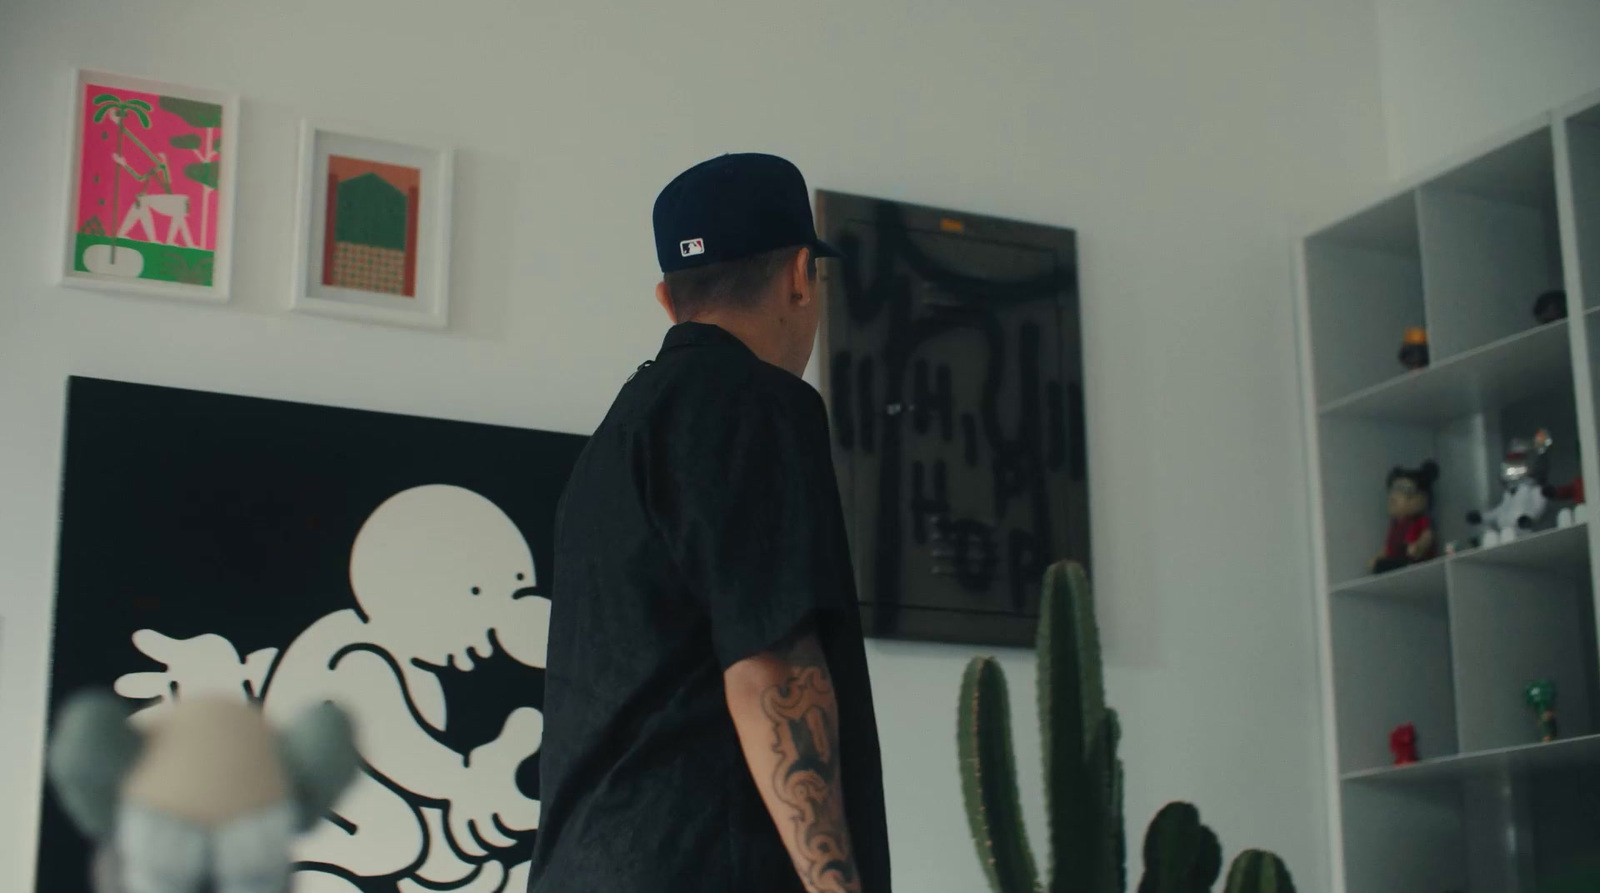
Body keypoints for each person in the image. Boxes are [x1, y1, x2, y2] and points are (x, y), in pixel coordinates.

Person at [528, 153, 890, 893]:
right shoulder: (762, 403)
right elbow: (771, 669)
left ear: (668, 299)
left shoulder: (612, 443)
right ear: (799, 275)